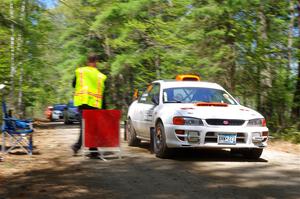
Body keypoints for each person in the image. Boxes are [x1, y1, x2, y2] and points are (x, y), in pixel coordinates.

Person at [71, 52, 107, 157]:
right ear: (96, 62)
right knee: (92, 127)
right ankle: (88, 149)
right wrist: (104, 108)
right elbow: (102, 93)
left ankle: (89, 149)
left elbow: (73, 84)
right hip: (94, 104)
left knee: (84, 126)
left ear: (88, 61)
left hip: (82, 102)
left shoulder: (80, 71)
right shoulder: (100, 76)